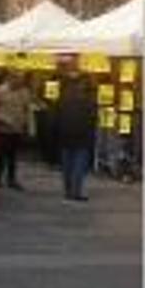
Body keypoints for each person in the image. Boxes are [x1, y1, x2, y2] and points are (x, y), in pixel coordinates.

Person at [56, 71, 97, 202]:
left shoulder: (63, 97)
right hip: (82, 136)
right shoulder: (88, 100)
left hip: (65, 135)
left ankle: (68, 191)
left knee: (67, 165)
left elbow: (57, 116)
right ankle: (75, 192)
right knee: (78, 166)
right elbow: (93, 118)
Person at [0, 73, 32, 190]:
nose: (19, 83)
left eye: (21, 81)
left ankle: (11, 179)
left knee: (13, 156)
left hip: (17, 128)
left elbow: (27, 109)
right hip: (3, 129)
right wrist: (0, 120)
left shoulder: (25, 92)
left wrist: (27, 125)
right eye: (17, 80)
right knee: (1, 155)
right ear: (9, 79)